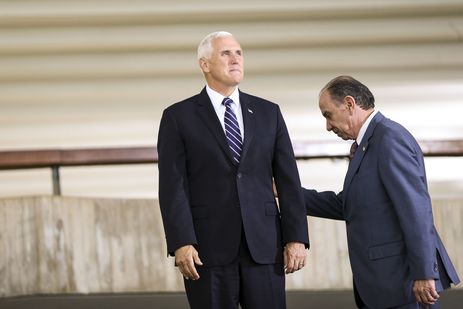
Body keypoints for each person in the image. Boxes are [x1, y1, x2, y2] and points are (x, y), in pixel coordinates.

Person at [157, 31, 309, 309]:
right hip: (206, 251)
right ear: (204, 64)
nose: (235, 58)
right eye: (225, 53)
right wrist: (181, 242)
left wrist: (296, 237)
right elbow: (172, 187)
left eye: (239, 52)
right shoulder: (178, 117)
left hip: (264, 247)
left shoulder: (269, 112)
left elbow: (289, 181)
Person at [302, 75, 460, 308]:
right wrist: (286, 193)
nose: (327, 126)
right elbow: (346, 204)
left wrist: (425, 273)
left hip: (405, 285)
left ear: (349, 103)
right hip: (384, 286)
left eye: (328, 115)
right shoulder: (366, 145)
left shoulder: (389, 138)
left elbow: (415, 209)